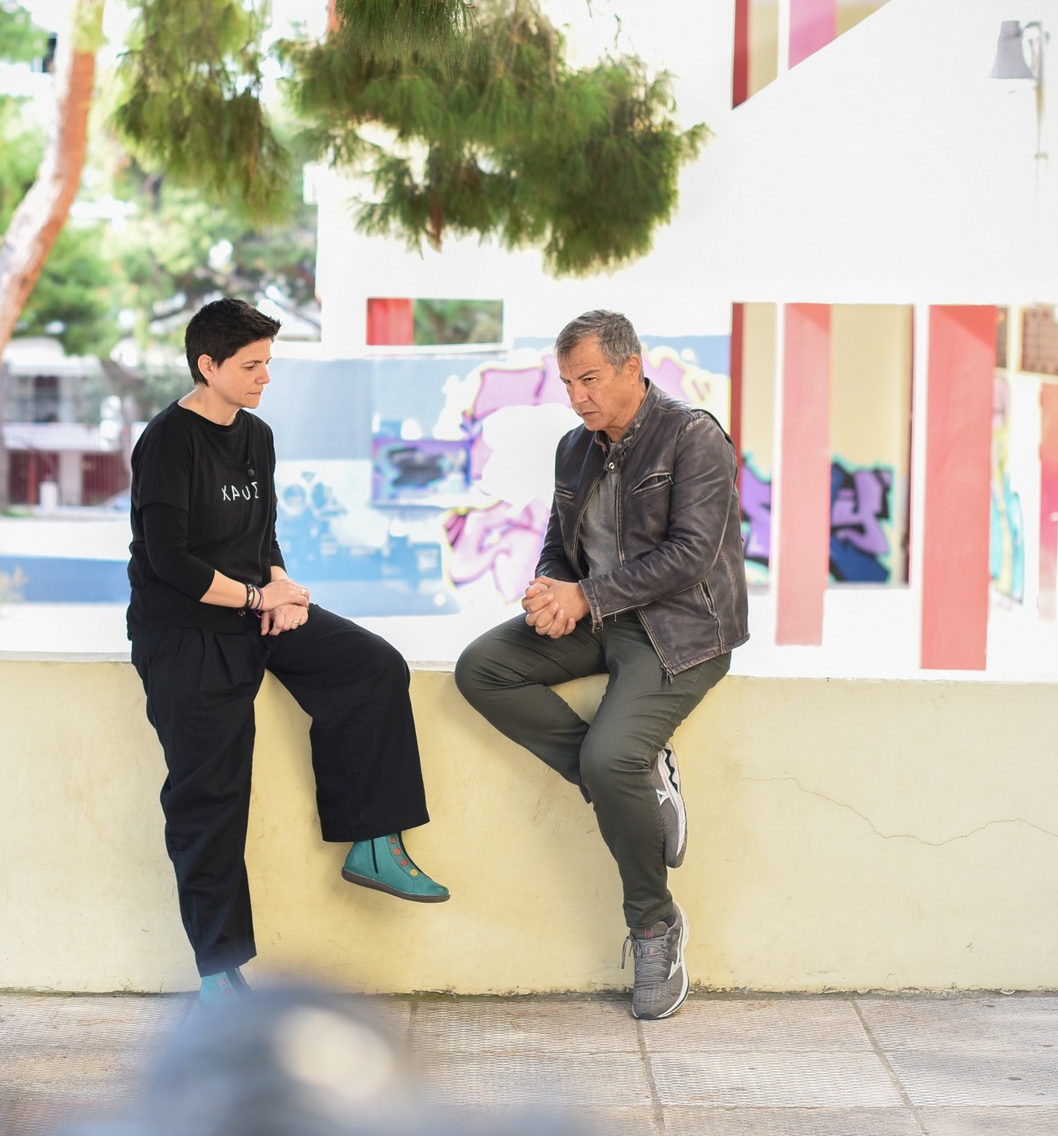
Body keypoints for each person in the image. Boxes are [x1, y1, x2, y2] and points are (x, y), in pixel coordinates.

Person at [127, 298, 449, 1003]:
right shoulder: (167, 442)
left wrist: (278, 586)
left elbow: (262, 532)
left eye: (267, 362)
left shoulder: (257, 436)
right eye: (251, 365)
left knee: (371, 666)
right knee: (211, 796)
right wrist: (255, 598)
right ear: (207, 366)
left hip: (253, 610)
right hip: (184, 634)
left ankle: (373, 844)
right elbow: (170, 563)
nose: (264, 376)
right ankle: (219, 973)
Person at [454, 310, 746, 1020]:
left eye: (589, 379)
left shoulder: (692, 436)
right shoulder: (575, 448)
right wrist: (551, 592)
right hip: (598, 616)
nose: (577, 396)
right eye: (567, 383)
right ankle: (638, 784)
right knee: (482, 667)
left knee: (610, 758)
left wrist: (585, 596)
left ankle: (654, 924)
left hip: (681, 631)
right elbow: (561, 542)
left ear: (631, 367)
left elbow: (691, 555)